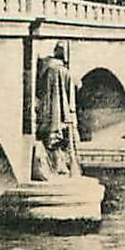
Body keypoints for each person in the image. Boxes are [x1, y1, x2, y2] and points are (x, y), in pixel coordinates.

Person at [35, 42, 81, 179]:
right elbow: (77, 84)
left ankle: (54, 168)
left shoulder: (46, 68)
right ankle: (66, 169)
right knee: (66, 142)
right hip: (65, 114)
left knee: (51, 141)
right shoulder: (65, 71)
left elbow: (38, 90)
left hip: (48, 113)